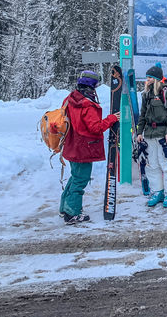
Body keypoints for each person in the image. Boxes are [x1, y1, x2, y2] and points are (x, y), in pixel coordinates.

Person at [60, 70, 119, 224]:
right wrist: (111, 119)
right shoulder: (87, 104)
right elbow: (95, 127)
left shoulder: (71, 98)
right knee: (80, 180)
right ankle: (72, 213)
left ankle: (65, 207)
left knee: (75, 177)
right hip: (84, 148)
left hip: (72, 145)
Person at [136, 63, 167, 208]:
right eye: (146, 77)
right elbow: (142, 115)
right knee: (151, 165)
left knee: (165, 164)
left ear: (155, 79)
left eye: (149, 78)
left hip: (163, 134)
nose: (146, 80)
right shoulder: (146, 95)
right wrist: (139, 132)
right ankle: (158, 191)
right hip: (149, 134)